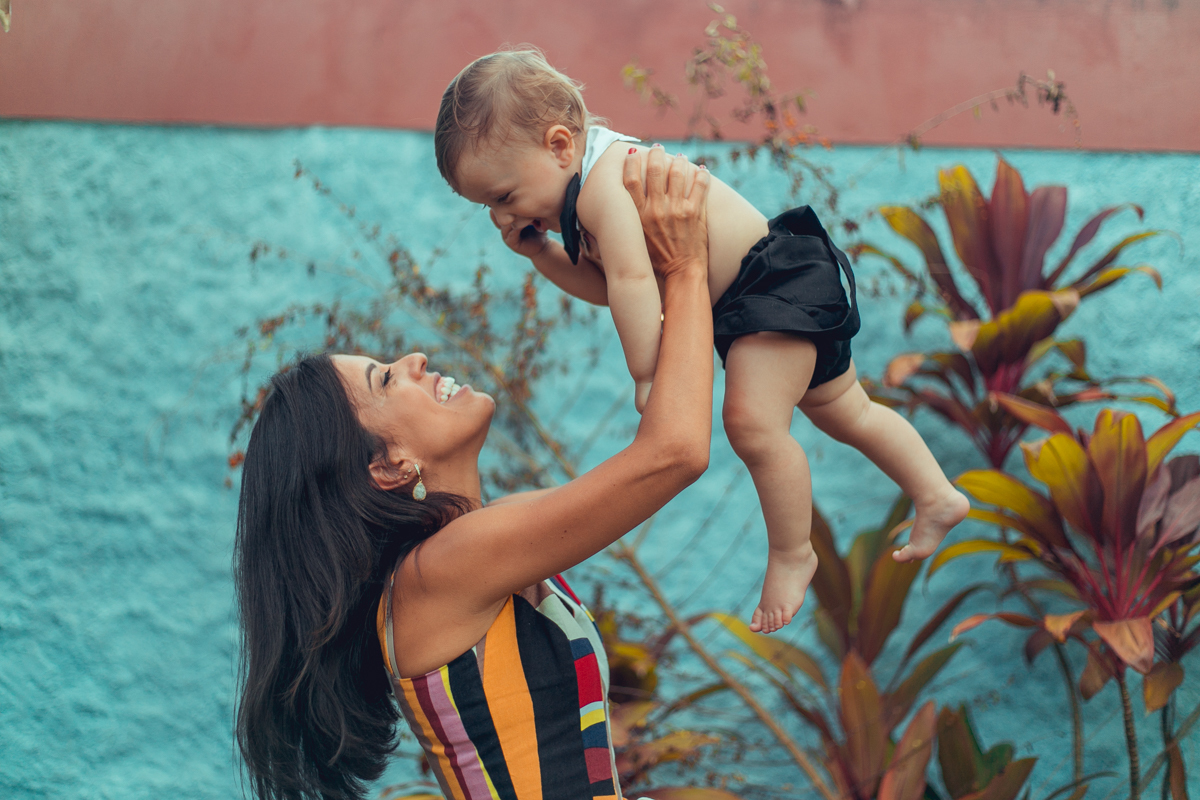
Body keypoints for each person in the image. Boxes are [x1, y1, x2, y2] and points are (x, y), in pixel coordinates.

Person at [433, 48, 971, 635]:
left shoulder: (603, 187)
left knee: (753, 424)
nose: (501, 216)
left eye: (503, 197)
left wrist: (648, 374)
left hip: (770, 285)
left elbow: (635, 282)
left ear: (560, 144)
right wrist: (542, 254)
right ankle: (936, 493)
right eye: (487, 206)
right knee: (848, 410)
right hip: (774, 286)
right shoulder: (582, 187)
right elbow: (609, 284)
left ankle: (794, 553)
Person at [234, 147, 713, 800]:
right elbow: (674, 452)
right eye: (384, 377)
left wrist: (569, 249)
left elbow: (663, 449)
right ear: (388, 464)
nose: (414, 357)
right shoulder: (445, 567)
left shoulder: (468, 553)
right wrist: (686, 266)